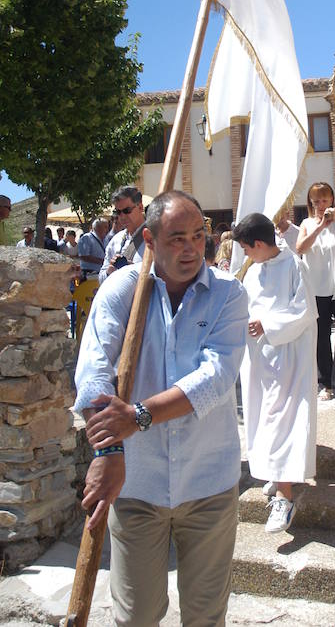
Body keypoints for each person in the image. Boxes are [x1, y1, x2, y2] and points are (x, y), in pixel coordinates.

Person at [74, 190, 248, 627]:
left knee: (206, 616)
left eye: (198, 236)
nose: (191, 248)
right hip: (136, 486)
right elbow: (93, 375)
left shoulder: (228, 294)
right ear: (149, 240)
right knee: (135, 617)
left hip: (208, 483)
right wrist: (109, 453)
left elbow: (216, 378)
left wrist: (138, 417)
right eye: (176, 238)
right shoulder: (121, 290)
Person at [232, 213, 317, 534]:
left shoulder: (295, 266)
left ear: (257, 243)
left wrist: (267, 325)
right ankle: (275, 471)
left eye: (246, 248)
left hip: (288, 357)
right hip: (259, 360)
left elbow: (306, 310)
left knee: (285, 417)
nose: (245, 255)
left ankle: (285, 496)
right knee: (263, 416)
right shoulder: (254, 271)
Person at [296, 182, 335, 411]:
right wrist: (321, 226)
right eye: (316, 202)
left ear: (331, 200)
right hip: (317, 289)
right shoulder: (307, 223)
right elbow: (300, 248)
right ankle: (326, 384)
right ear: (311, 203)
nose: (321, 205)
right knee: (321, 336)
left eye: (325, 201)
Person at [99, 186, 146, 284]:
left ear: (140, 207)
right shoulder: (115, 240)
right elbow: (101, 279)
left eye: (127, 210)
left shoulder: (157, 239)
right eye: (118, 212)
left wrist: (133, 271)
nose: (122, 216)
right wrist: (109, 271)